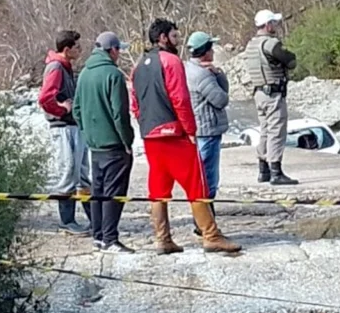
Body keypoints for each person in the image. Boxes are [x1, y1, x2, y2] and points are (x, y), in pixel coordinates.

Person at [131, 18, 240, 256]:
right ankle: (211, 235)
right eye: (175, 36)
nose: (178, 41)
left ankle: (163, 238)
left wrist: (144, 125)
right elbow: (180, 99)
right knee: (196, 184)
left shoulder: (138, 66)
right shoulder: (171, 62)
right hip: (173, 133)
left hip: (150, 134)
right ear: (163, 38)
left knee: (158, 189)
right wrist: (190, 131)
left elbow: (135, 104)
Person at [73, 32, 135, 253]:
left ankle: (98, 236)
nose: (119, 54)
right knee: (114, 193)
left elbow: (76, 109)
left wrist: (88, 133)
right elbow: (120, 114)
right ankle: (110, 238)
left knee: (98, 192)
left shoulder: (84, 74)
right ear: (113, 50)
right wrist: (127, 140)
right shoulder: (113, 75)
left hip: (95, 146)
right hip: (114, 145)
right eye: (119, 50)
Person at [38, 29, 92, 235]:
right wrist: (62, 109)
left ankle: (94, 218)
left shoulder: (66, 67)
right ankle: (67, 221)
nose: (80, 50)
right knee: (68, 172)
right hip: (63, 128)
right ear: (67, 49)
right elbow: (45, 98)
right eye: (77, 47)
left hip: (73, 127)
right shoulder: (56, 68)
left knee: (82, 174)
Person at [184, 30, 229, 236]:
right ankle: (206, 226)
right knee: (208, 181)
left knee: (201, 178)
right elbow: (221, 99)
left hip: (197, 130)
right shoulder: (202, 75)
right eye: (211, 48)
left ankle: (202, 224)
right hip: (207, 130)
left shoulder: (187, 69)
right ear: (206, 52)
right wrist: (218, 74)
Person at [246, 9, 298, 186]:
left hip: (259, 93)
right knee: (276, 131)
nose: (276, 25)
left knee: (265, 130)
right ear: (268, 25)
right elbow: (291, 61)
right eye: (274, 23)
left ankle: (263, 170)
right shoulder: (271, 44)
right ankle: (276, 172)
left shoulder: (251, 45)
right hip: (273, 93)